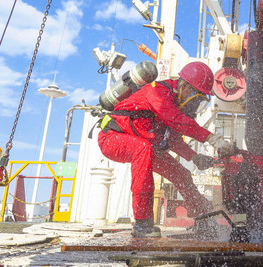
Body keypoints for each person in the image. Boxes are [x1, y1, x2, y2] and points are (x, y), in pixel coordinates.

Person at [97, 61, 235, 238]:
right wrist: (212, 138)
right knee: (143, 148)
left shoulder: (176, 104)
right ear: (184, 86)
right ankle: (142, 224)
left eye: (201, 100)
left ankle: (204, 219)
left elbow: (175, 140)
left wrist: (194, 157)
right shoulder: (158, 92)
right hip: (112, 139)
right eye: (197, 97)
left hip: (143, 146)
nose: (196, 103)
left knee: (181, 174)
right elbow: (176, 120)